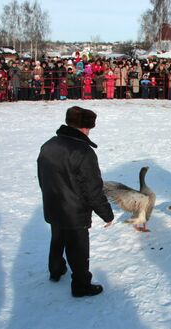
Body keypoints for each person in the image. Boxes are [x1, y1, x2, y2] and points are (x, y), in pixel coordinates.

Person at [37, 106, 114, 297]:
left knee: (57, 238)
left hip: (54, 204)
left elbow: (42, 177)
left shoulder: (49, 145)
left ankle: (56, 270)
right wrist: (106, 214)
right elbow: (93, 188)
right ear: (85, 127)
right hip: (74, 211)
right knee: (78, 248)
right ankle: (81, 285)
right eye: (89, 128)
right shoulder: (83, 152)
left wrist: (49, 196)